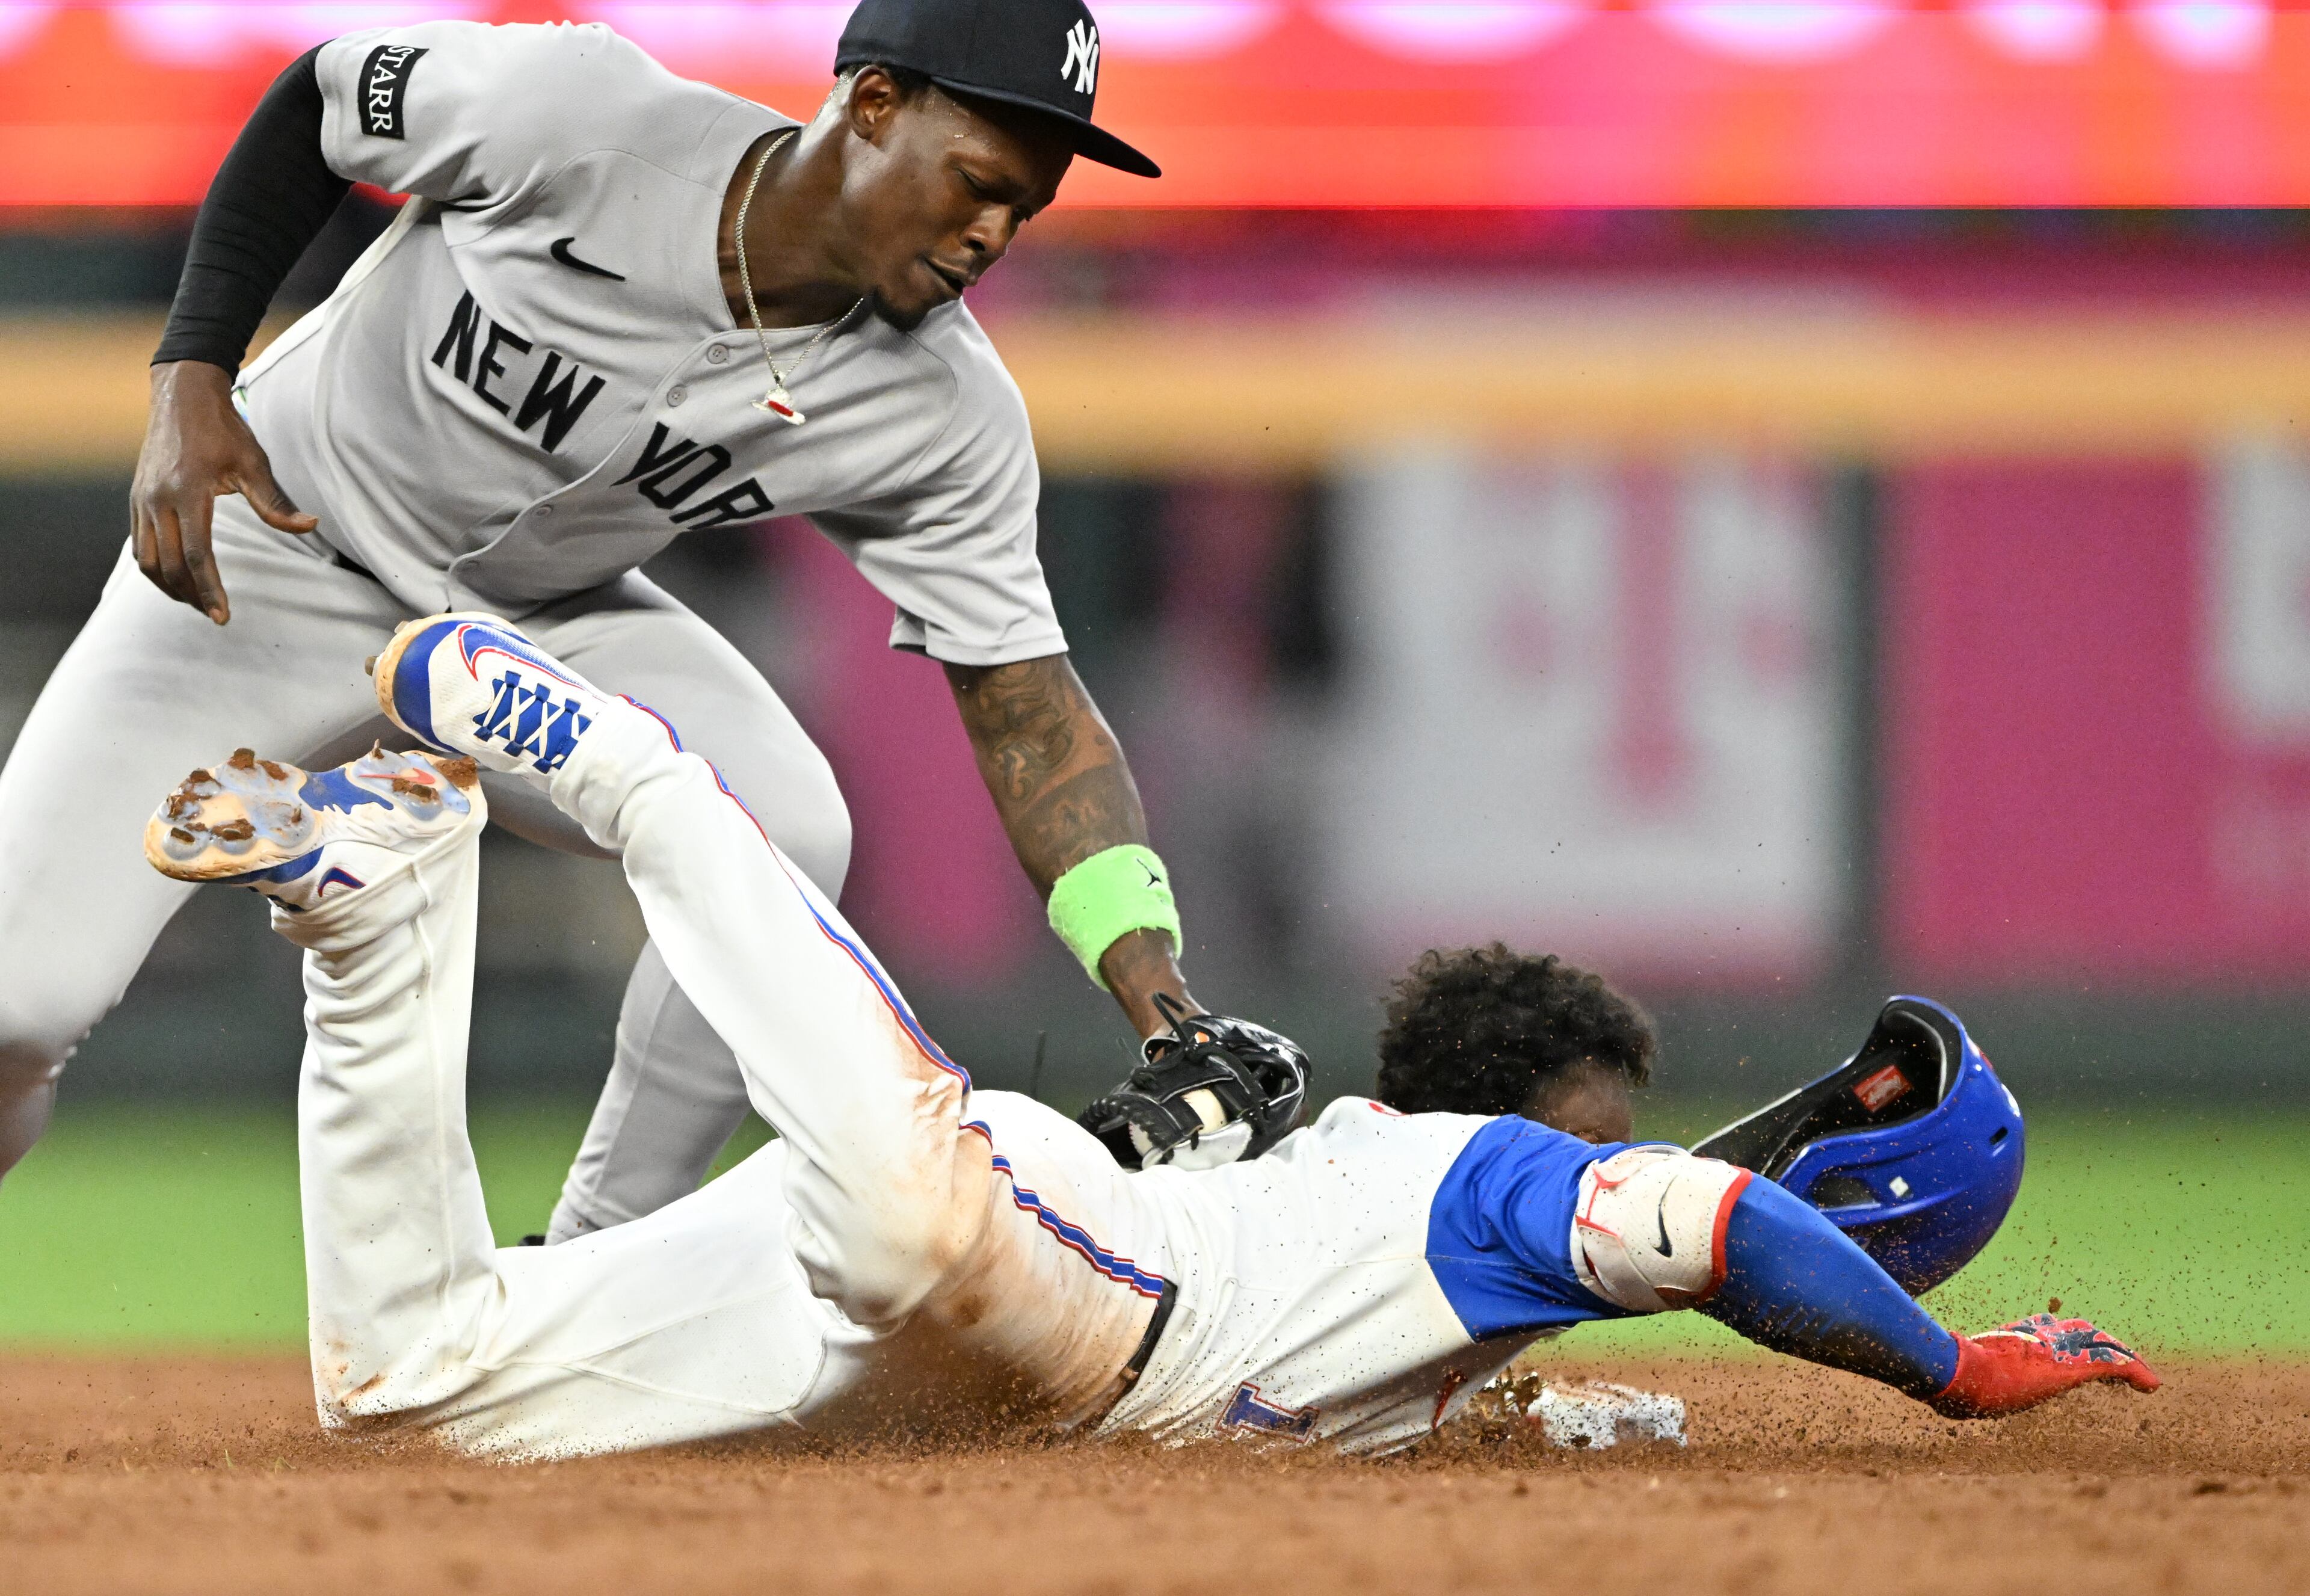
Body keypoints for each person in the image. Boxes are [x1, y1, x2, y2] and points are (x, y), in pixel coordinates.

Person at [137, 611, 2161, 1460]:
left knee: (408, 1385)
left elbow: (1571, 1389)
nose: (1650, 1152)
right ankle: (615, 755)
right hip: (1038, 1274)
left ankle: (378, 920)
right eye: (1612, 1126)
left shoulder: (1409, 1238)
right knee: (919, 1204)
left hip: (928, 1355)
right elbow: (1728, 1240)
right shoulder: (1501, 1178)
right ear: (1550, 1114)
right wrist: (1951, 1367)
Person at [0, 0, 1283, 1235]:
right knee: (16, 1013)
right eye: (976, 181)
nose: (993, 232)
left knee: (788, 827)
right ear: (873, 103)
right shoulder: (581, 112)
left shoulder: (944, 409)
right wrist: (191, 375)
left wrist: (1160, 994)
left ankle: (594, 1267)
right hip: (270, 557)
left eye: (1027, 205)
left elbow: (1026, 707)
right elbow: (320, 101)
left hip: (536, 632)